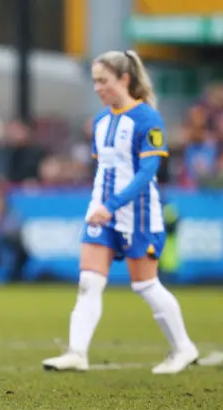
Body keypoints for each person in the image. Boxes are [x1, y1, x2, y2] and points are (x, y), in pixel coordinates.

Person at [41, 50, 199, 375]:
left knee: (145, 286)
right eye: (95, 81)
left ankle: (184, 348)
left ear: (124, 79)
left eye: (104, 81)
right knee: (89, 281)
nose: (98, 88)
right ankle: (77, 352)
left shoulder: (147, 119)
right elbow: (105, 170)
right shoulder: (100, 121)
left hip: (138, 214)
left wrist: (111, 206)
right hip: (101, 212)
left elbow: (146, 173)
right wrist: (100, 205)